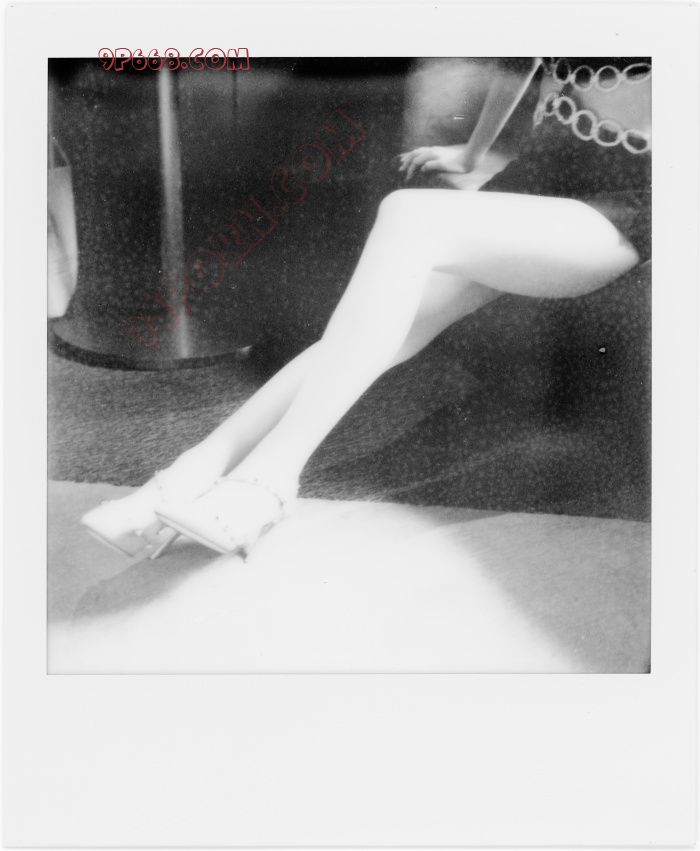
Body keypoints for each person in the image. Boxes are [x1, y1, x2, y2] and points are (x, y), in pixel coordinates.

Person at [81, 56, 651, 558]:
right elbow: (520, 59)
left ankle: (271, 476)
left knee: (409, 217)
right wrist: (474, 152)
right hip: (542, 177)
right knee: (372, 332)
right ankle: (195, 469)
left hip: (632, 195)